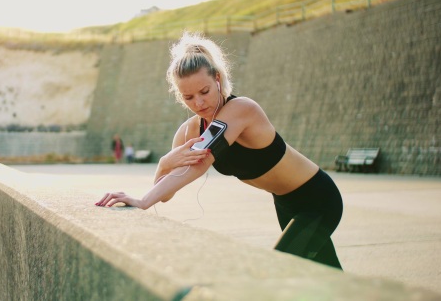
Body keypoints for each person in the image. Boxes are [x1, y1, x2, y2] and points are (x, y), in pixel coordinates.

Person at [96, 31, 344, 269]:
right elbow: (166, 193)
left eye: (204, 91)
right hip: (285, 204)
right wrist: (164, 164)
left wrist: (142, 201)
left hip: (317, 199)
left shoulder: (242, 109)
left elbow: (200, 163)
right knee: (328, 277)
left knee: (279, 271)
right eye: (188, 97)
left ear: (217, 80)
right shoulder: (188, 132)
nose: (199, 103)